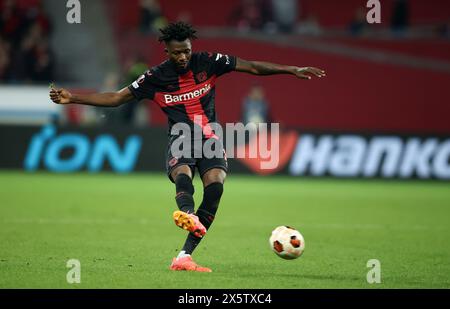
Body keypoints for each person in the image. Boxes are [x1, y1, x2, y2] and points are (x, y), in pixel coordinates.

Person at [49, 22, 325, 272]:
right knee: (183, 175)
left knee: (216, 186)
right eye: (176, 52)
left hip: (210, 139)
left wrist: (291, 69)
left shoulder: (208, 61)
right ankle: (188, 213)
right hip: (181, 138)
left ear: (192, 48)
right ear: (166, 51)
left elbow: (252, 66)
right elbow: (116, 98)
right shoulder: (154, 77)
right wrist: (73, 98)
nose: (182, 57)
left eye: (186, 51)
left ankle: (184, 256)